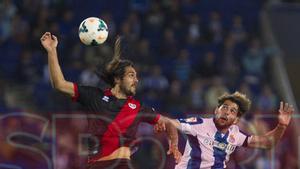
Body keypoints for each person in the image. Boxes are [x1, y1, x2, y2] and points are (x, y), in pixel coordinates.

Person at [40, 32, 181, 169]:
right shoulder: (93, 96)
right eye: (131, 75)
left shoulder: (138, 107)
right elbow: (59, 84)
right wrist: (52, 51)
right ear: (118, 79)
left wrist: (173, 144)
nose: (136, 80)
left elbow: (168, 123)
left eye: (136, 76)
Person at [166, 91, 293, 169]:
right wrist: (174, 144)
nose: (226, 113)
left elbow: (267, 143)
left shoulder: (235, 134)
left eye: (232, 111)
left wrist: (281, 126)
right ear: (216, 110)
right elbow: (171, 123)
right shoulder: (199, 123)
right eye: (224, 108)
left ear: (236, 119)